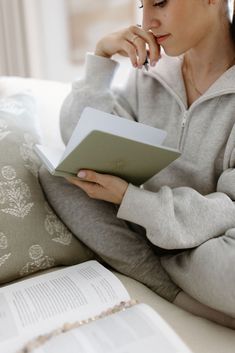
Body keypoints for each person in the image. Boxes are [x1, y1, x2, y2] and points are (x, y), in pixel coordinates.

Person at [39, 0, 235, 328]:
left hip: (213, 240)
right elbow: (79, 137)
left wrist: (134, 201)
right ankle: (169, 288)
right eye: (142, 5)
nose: (148, 21)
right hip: (149, 227)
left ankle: (162, 274)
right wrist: (101, 58)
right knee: (58, 176)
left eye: (159, 3)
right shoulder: (150, 74)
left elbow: (230, 208)